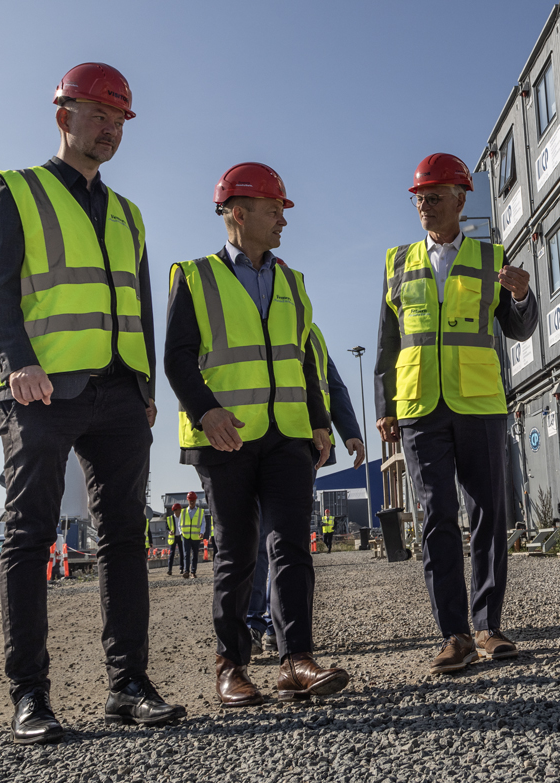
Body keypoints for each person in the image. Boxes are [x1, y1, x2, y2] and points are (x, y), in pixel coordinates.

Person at [0, 63, 183, 743]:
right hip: (40, 390)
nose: (110, 128)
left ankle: (128, 684)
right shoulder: (16, 190)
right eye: (97, 114)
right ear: (63, 116)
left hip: (119, 393)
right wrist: (16, 364)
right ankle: (29, 694)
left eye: (119, 118)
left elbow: (142, 306)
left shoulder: (129, 214)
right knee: (31, 536)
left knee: (126, 537)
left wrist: (146, 387)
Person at [164, 162, 350, 707]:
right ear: (238, 214)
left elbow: (302, 360)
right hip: (227, 438)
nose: (283, 222)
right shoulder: (194, 276)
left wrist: (319, 422)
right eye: (275, 211)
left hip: (288, 435)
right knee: (237, 552)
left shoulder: (293, 281)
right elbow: (176, 360)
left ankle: (296, 660)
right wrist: (206, 413)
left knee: (292, 546)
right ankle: (232, 667)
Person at [374, 153, 539, 676]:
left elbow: (519, 328)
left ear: (462, 200)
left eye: (435, 197)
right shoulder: (397, 262)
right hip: (421, 407)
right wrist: (386, 407)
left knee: (489, 513)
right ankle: (454, 635)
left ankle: (488, 625)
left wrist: (524, 293)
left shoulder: (492, 260)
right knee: (437, 519)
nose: (425, 206)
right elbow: (387, 342)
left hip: (480, 404)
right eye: (419, 198)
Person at [246, 335, 367, 654]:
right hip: (252, 443)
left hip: (301, 446)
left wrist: (350, 432)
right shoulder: (247, 324)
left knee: (284, 539)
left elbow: (333, 384)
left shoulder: (307, 331)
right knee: (257, 537)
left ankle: (275, 625)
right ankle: (252, 622)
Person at [178, 492, 205, 578]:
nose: (192, 502)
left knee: (195, 555)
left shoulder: (200, 512)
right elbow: (179, 524)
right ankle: (186, 571)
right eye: (190, 501)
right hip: (185, 537)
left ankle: (193, 572)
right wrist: (181, 533)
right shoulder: (183, 512)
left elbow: (203, 523)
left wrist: (202, 532)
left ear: (195, 500)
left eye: (193, 500)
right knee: (186, 554)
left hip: (196, 537)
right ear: (188, 500)